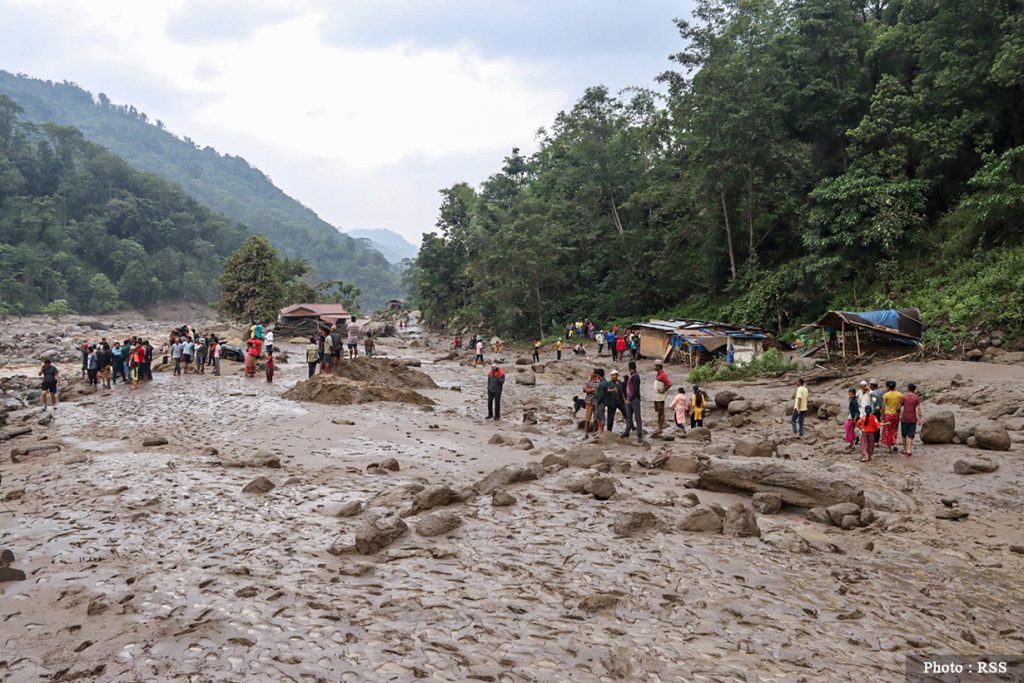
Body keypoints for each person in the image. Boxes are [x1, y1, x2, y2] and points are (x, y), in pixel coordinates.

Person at [621, 361, 643, 442]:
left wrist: (629, 399)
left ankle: (639, 435)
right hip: (630, 399)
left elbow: (635, 390)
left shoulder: (635, 376)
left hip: (634, 399)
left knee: (637, 417)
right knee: (629, 416)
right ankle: (627, 432)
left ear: (629, 368)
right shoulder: (632, 376)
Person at [899, 383, 923, 457]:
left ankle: (905, 449)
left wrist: (898, 414)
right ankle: (909, 449)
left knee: (904, 434)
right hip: (913, 419)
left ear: (908, 388)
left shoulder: (904, 397)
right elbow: (918, 409)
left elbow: (900, 406)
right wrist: (920, 419)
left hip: (905, 418)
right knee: (911, 435)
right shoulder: (916, 398)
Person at [881, 380, 902, 453]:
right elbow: (899, 406)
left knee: (887, 431)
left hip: (888, 415)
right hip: (896, 415)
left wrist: (882, 415)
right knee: (894, 430)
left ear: (887, 387)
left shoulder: (886, 395)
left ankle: (889, 448)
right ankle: (894, 444)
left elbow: (883, 406)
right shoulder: (899, 394)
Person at [652, 359, 672, 435]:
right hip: (657, 396)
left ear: (658, 366)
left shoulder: (663, 375)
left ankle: (660, 428)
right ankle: (659, 427)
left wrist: (663, 390)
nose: (654, 367)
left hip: (660, 396)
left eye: (655, 366)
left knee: (661, 412)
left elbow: (669, 384)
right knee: (659, 412)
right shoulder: (658, 374)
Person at [582, 369, 599, 439]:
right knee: (587, 419)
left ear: (595, 374)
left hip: (596, 402)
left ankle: (594, 433)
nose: (590, 374)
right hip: (589, 402)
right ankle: (585, 433)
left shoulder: (598, 382)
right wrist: (592, 390)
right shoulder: (588, 381)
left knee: (596, 418)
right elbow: (584, 389)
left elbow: (598, 391)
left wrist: (589, 390)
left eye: (591, 372)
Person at [869, 379, 885, 444]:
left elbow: (875, 402)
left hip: (874, 410)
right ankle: (877, 440)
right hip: (879, 410)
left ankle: (874, 439)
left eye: (870, 385)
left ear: (872, 386)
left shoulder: (873, 393)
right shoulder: (881, 392)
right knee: (877, 425)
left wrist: (875, 409)